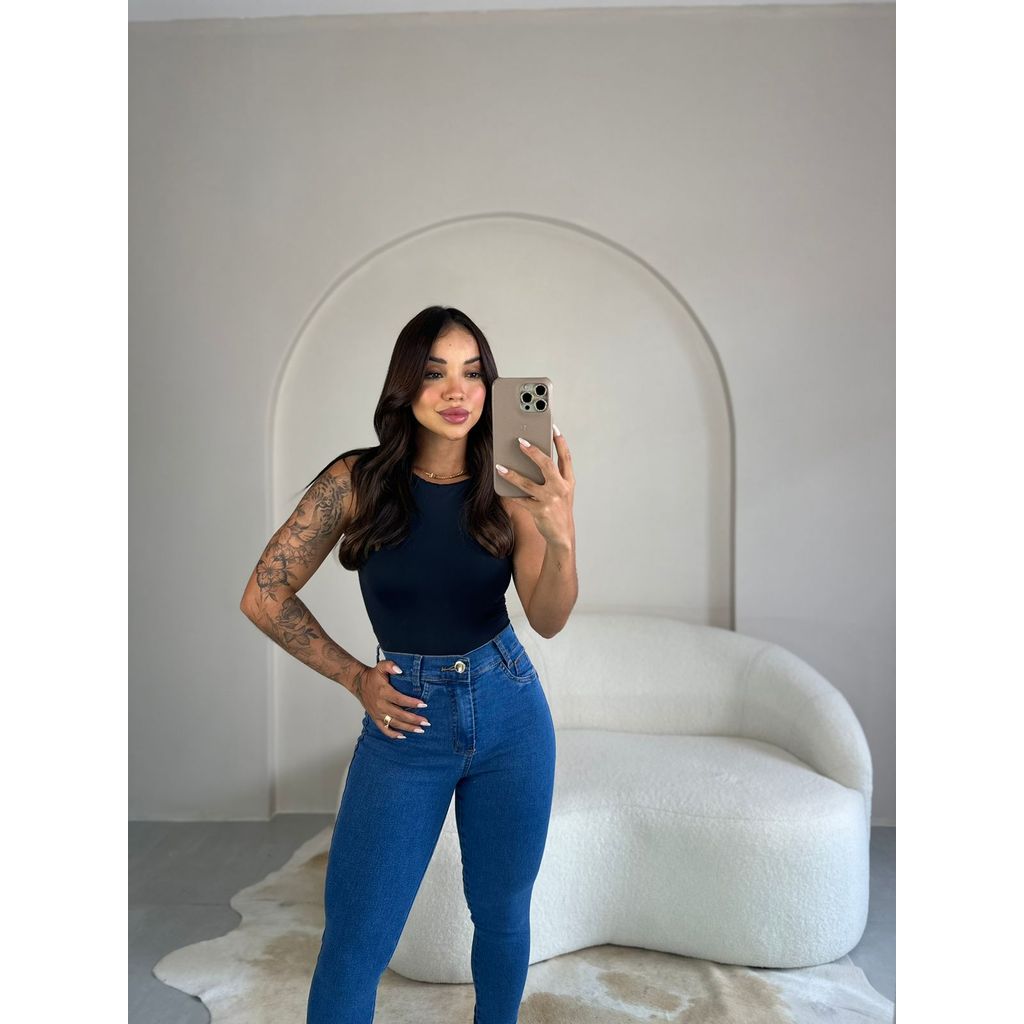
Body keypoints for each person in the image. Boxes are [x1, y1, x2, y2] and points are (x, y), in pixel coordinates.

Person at [239, 305, 578, 1024]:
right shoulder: (356, 481)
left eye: (473, 373)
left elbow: (548, 618)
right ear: (405, 384)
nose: (457, 391)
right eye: (434, 372)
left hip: (510, 712)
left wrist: (561, 533)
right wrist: (354, 677)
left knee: (503, 914)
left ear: (491, 387)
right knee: (354, 943)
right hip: (406, 723)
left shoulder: (511, 484)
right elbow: (264, 594)